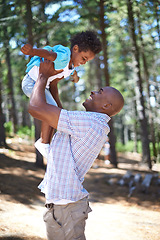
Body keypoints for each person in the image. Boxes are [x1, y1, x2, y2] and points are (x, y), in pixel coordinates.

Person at [28, 59, 124, 240]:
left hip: (67, 207)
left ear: (106, 106)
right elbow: (54, 113)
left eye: (100, 92)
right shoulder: (92, 124)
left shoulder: (91, 123)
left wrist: (42, 77)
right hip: (63, 205)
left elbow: (36, 108)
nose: (93, 91)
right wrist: (53, 86)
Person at [21, 31, 102, 157]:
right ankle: (43, 142)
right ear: (75, 49)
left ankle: (48, 142)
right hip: (31, 83)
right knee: (50, 109)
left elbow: (58, 82)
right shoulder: (64, 57)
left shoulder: (69, 68)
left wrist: (60, 107)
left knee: (56, 111)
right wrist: (32, 51)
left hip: (43, 87)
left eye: (87, 61)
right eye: (84, 58)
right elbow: (49, 54)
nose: (84, 62)